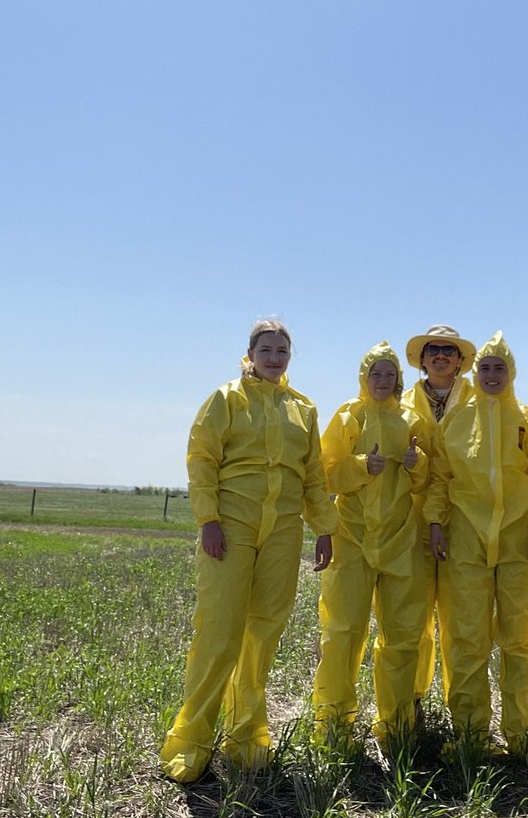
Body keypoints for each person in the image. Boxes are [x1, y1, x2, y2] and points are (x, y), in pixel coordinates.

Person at [160, 319, 337, 783]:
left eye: (282, 350)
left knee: (263, 634)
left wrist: (324, 527)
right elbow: (202, 457)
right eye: (267, 349)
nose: (275, 357)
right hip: (231, 528)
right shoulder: (226, 398)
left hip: (281, 532)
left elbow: (314, 475)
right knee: (218, 635)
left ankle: (246, 737)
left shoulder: (304, 408)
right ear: (250, 353)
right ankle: (191, 741)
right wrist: (209, 520)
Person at [426, 332, 528, 757]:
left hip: (518, 537)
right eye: (485, 367)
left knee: (520, 638)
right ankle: (469, 736)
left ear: (511, 372)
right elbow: (442, 479)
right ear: (475, 372)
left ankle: (523, 735)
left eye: (499, 367)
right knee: (467, 638)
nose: (492, 375)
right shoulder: (457, 420)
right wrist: (435, 523)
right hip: (466, 536)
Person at [313, 342, 431, 747]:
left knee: (401, 636)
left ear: (399, 380)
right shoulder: (349, 415)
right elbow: (326, 474)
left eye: (389, 375)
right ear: (364, 378)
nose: (382, 381)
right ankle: (333, 727)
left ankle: (396, 728)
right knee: (343, 631)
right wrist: (362, 467)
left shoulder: (413, 419)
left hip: (401, 538)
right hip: (352, 537)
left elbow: (431, 481)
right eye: (375, 374)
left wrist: (419, 467)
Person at [402, 325, 476, 706]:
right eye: (434, 349)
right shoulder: (402, 403)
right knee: (413, 616)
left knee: (459, 619)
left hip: (464, 517)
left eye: (450, 350)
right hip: (412, 518)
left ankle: (461, 710)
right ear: (422, 359)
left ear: (461, 361)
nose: (442, 356)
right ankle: (411, 701)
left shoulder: (481, 403)